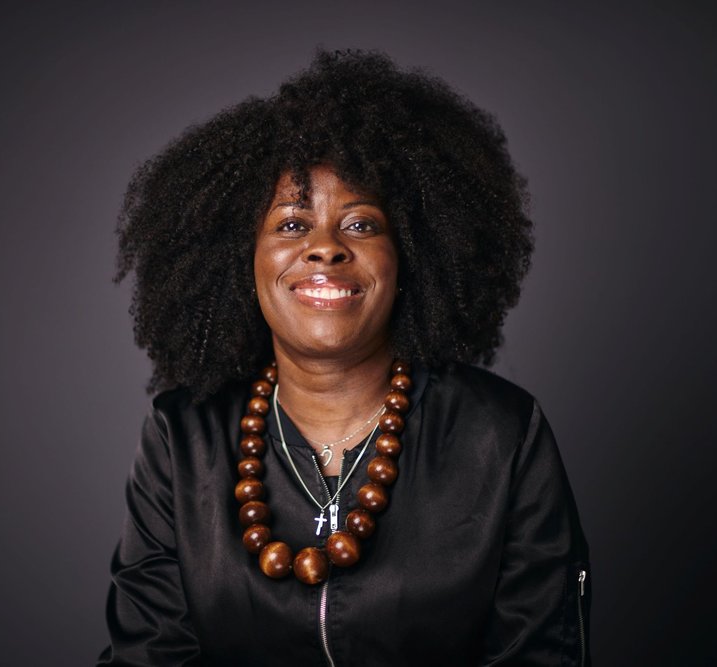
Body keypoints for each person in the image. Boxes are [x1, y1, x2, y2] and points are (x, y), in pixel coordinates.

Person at [99, 49, 591, 666]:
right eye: (291, 225)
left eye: (360, 225)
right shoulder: (182, 438)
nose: (324, 249)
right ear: (239, 259)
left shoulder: (502, 434)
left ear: (410, 254)